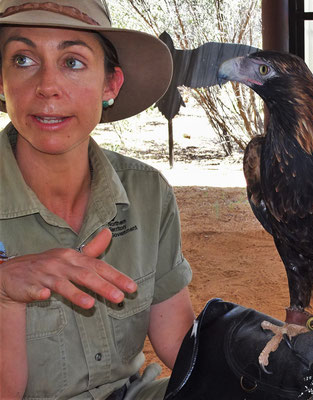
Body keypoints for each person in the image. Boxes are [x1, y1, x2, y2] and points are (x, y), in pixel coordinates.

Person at [0, 1, 195, 399]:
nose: (47, 86)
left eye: (72, 62)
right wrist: (4, 294)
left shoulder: (147, 192)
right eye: (22, 59)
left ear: (110, 85)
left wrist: (264, 357)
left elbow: (178, 340)